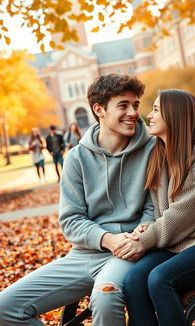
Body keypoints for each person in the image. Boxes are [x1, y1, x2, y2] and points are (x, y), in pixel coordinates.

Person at [0, 74, 155, 326]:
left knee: (106, 296)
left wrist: (134, 239)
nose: (133, 113)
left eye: (135, 105)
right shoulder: (77, 158)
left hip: (129, 252)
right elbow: (71, 220)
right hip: (84, 255)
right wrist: (107, 239)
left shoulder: (152, 149)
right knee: (5, 307)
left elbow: (154, 210)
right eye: (123, 105)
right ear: (99, 110)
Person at [113, 89, 195, 326]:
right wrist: (145, 229)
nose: (149, 115)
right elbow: (162, 211)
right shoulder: (159, 155)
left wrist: (144, 240)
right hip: (176, 244)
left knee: (160, 278)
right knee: (134, 280)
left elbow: (184, 215)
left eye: (156, 109)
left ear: (175, 114)